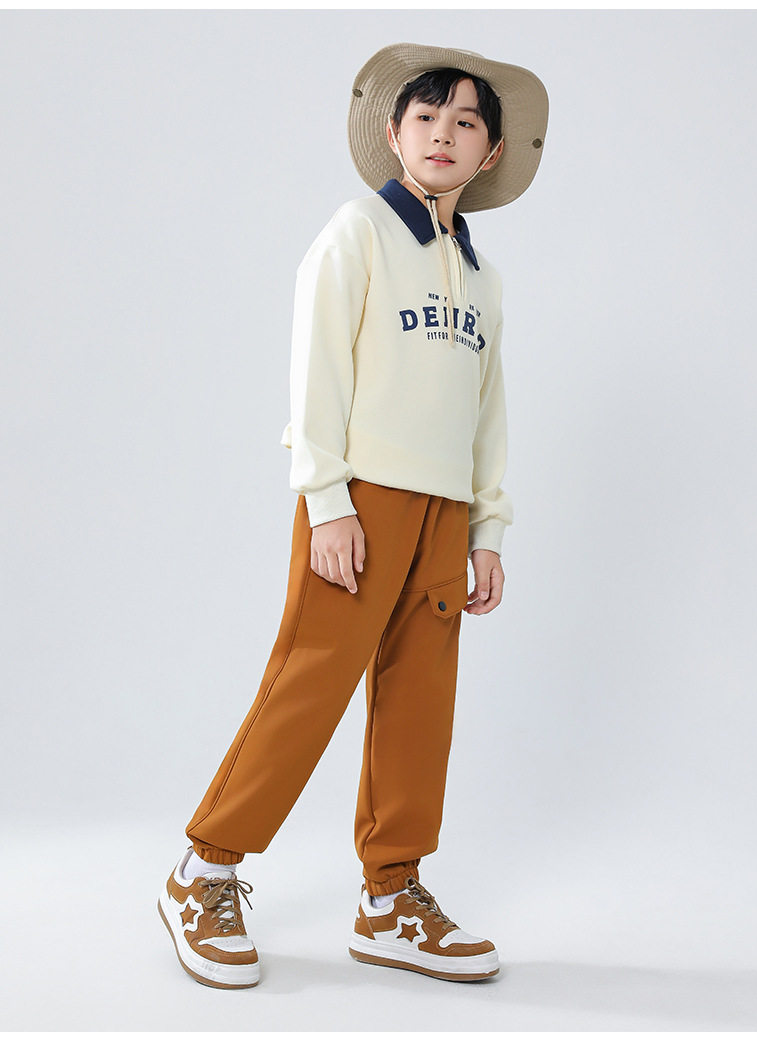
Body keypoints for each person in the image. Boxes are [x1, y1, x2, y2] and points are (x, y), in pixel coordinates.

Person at [157, 41, 549, 988]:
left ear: (491, 151)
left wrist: (487, 529)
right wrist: (326, 498)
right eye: (427, 117)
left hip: (444, 513)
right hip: (361, 501)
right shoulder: (358, 232)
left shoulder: (482, 278)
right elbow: (318, 370)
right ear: (393, 133)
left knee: (420, 702)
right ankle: (203, 869)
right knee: (312, 681)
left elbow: (488, 412)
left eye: (466, 122)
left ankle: (391, 897)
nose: (445, 134)